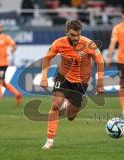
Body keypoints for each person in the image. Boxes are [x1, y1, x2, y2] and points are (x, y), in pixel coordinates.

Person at [40, 19, 104, 150]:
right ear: (66, 32)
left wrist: (100, 83)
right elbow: (47, 58)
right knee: (55, 104)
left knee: (71, 117)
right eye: (72, 35)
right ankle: (49, 141)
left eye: (78, 35)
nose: (76, 38)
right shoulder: (58, 43)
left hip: (81, 82)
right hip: (63, 77)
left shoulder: (88, 44)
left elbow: (100, 61)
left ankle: (68, 104)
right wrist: (44, 78)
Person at [0, 21, 22, 110]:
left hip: (3, 64)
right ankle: (17, 94)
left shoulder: (5, 38)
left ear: (1, 28)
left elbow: (14, 46)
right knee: (3, 83)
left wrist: (11, 51)